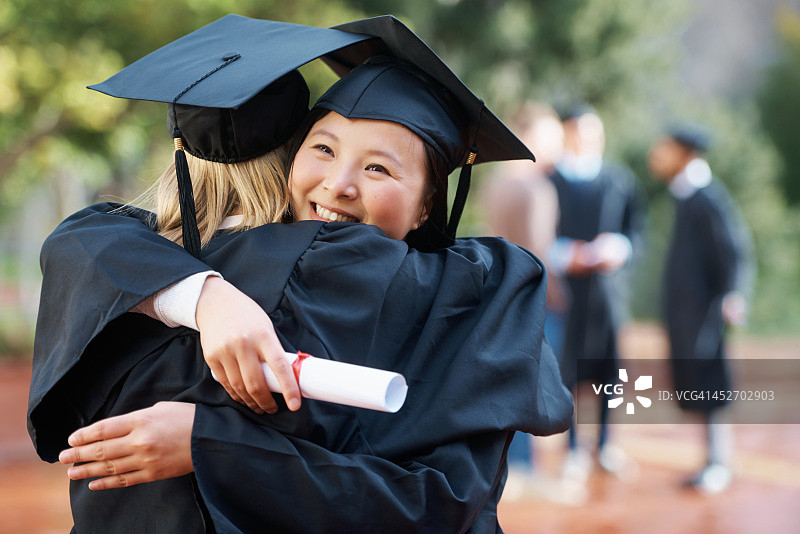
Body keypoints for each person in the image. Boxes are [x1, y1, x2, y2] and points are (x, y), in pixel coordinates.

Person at [28, 15, 573, 533]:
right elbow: (89, 235)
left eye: (378, 167)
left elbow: (435, 506)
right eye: (323, 149)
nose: (338, 184)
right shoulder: (208, 253)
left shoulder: (469, 302)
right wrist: (209, 299)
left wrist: (210, 445)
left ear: (427, 205)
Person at [648, 124, 753, 494]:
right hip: (686, 312)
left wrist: (733, 294)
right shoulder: (686, 195)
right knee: (697, 383)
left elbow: (734, 250)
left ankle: (719, 462)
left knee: (709, 381)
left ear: (686, 152)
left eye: (667, 147)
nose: (657, 155)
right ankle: (711, 460)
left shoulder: (708, 197)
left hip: (704, 311)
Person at [546, 104, 645, 480]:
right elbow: (539, 233)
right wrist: (563, 254)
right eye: (579, 132)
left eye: (593, 133)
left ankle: (604, 445)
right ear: (567, 134)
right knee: (566, 372)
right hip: (566, 295)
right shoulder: (551, 181)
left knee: (610, 372)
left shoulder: (619, 179)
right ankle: (571, 448)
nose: (587, 140)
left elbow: (637, 229)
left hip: (608, 296)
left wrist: (619, 248)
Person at [479, 102, 566, 488]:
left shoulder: (494, 182)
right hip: (538, 302)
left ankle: (510, 470)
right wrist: (563, 297)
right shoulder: (537, 188)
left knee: (508, 386)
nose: (558, 148)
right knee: (538, 389)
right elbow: (541, 255)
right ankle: (530, 474)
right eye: (553, 138)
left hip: (501, 297)